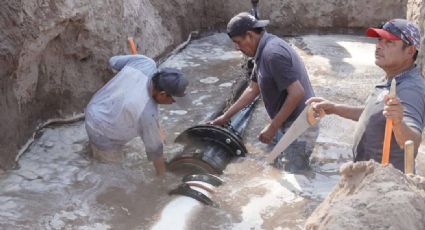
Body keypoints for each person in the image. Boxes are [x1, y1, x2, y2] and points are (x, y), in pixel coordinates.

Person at [307, 19, 425, 172]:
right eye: (379, 40)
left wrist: (398, 122)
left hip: (385, 184)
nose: (378, 46)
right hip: (370, 177)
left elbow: (412, 143)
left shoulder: (409, 89)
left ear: (410, 51)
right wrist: (335, 108)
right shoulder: (392, 78)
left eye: (389, 42)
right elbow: (374, 115)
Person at [210, 12, 317, 171]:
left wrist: (273, 127)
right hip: (287, 121)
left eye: (238, 42)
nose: (236, 48)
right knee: (277, 165)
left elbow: (297, 93)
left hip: (300, 125)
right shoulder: (262, 51)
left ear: (250, 35)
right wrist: (225, 117)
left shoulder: (272, 54)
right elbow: (253, 89)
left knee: (295, 174)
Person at [85, 55, 190, 176]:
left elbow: (113, 61)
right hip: (100, 127)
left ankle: (91, 150)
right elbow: (155, 151)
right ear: (162, 94)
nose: (173, 103)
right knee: (112, 171)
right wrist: (162, 175)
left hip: (98, 104)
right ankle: (94, 160)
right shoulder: (147, 114)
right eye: (173, 100)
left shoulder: (144, 62)